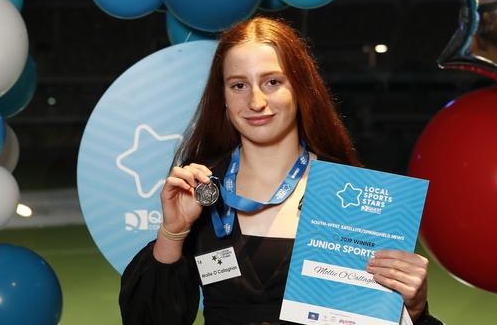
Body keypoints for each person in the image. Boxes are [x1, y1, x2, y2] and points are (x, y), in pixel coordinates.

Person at [119, 16, 442, 325]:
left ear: (300, 89)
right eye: (238, 85)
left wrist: (411, 310)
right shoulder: (200, 191)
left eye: (272, 82)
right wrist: (172, 233)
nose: (256, 101)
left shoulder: (350, 194)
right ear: (223, 98)